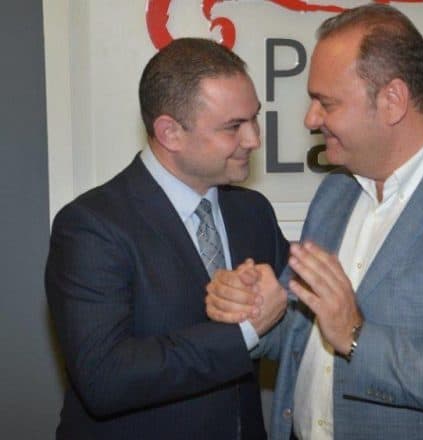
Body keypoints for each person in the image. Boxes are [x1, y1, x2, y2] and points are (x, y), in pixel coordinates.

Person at [205, 4, 423, 440]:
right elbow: (304, 338)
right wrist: (257, 310)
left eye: (326, 103)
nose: (310, 119)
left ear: (392, 101)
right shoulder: (335, 193)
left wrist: (357, 337)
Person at [45, 38, 289, 439]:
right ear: (170, 132)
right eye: (233, 127)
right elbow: (106, 378)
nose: (253, 139)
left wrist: (282, 302)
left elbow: (292, 319)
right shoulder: (92, 225)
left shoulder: (253, 212)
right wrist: (245, 331)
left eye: (254, 119)